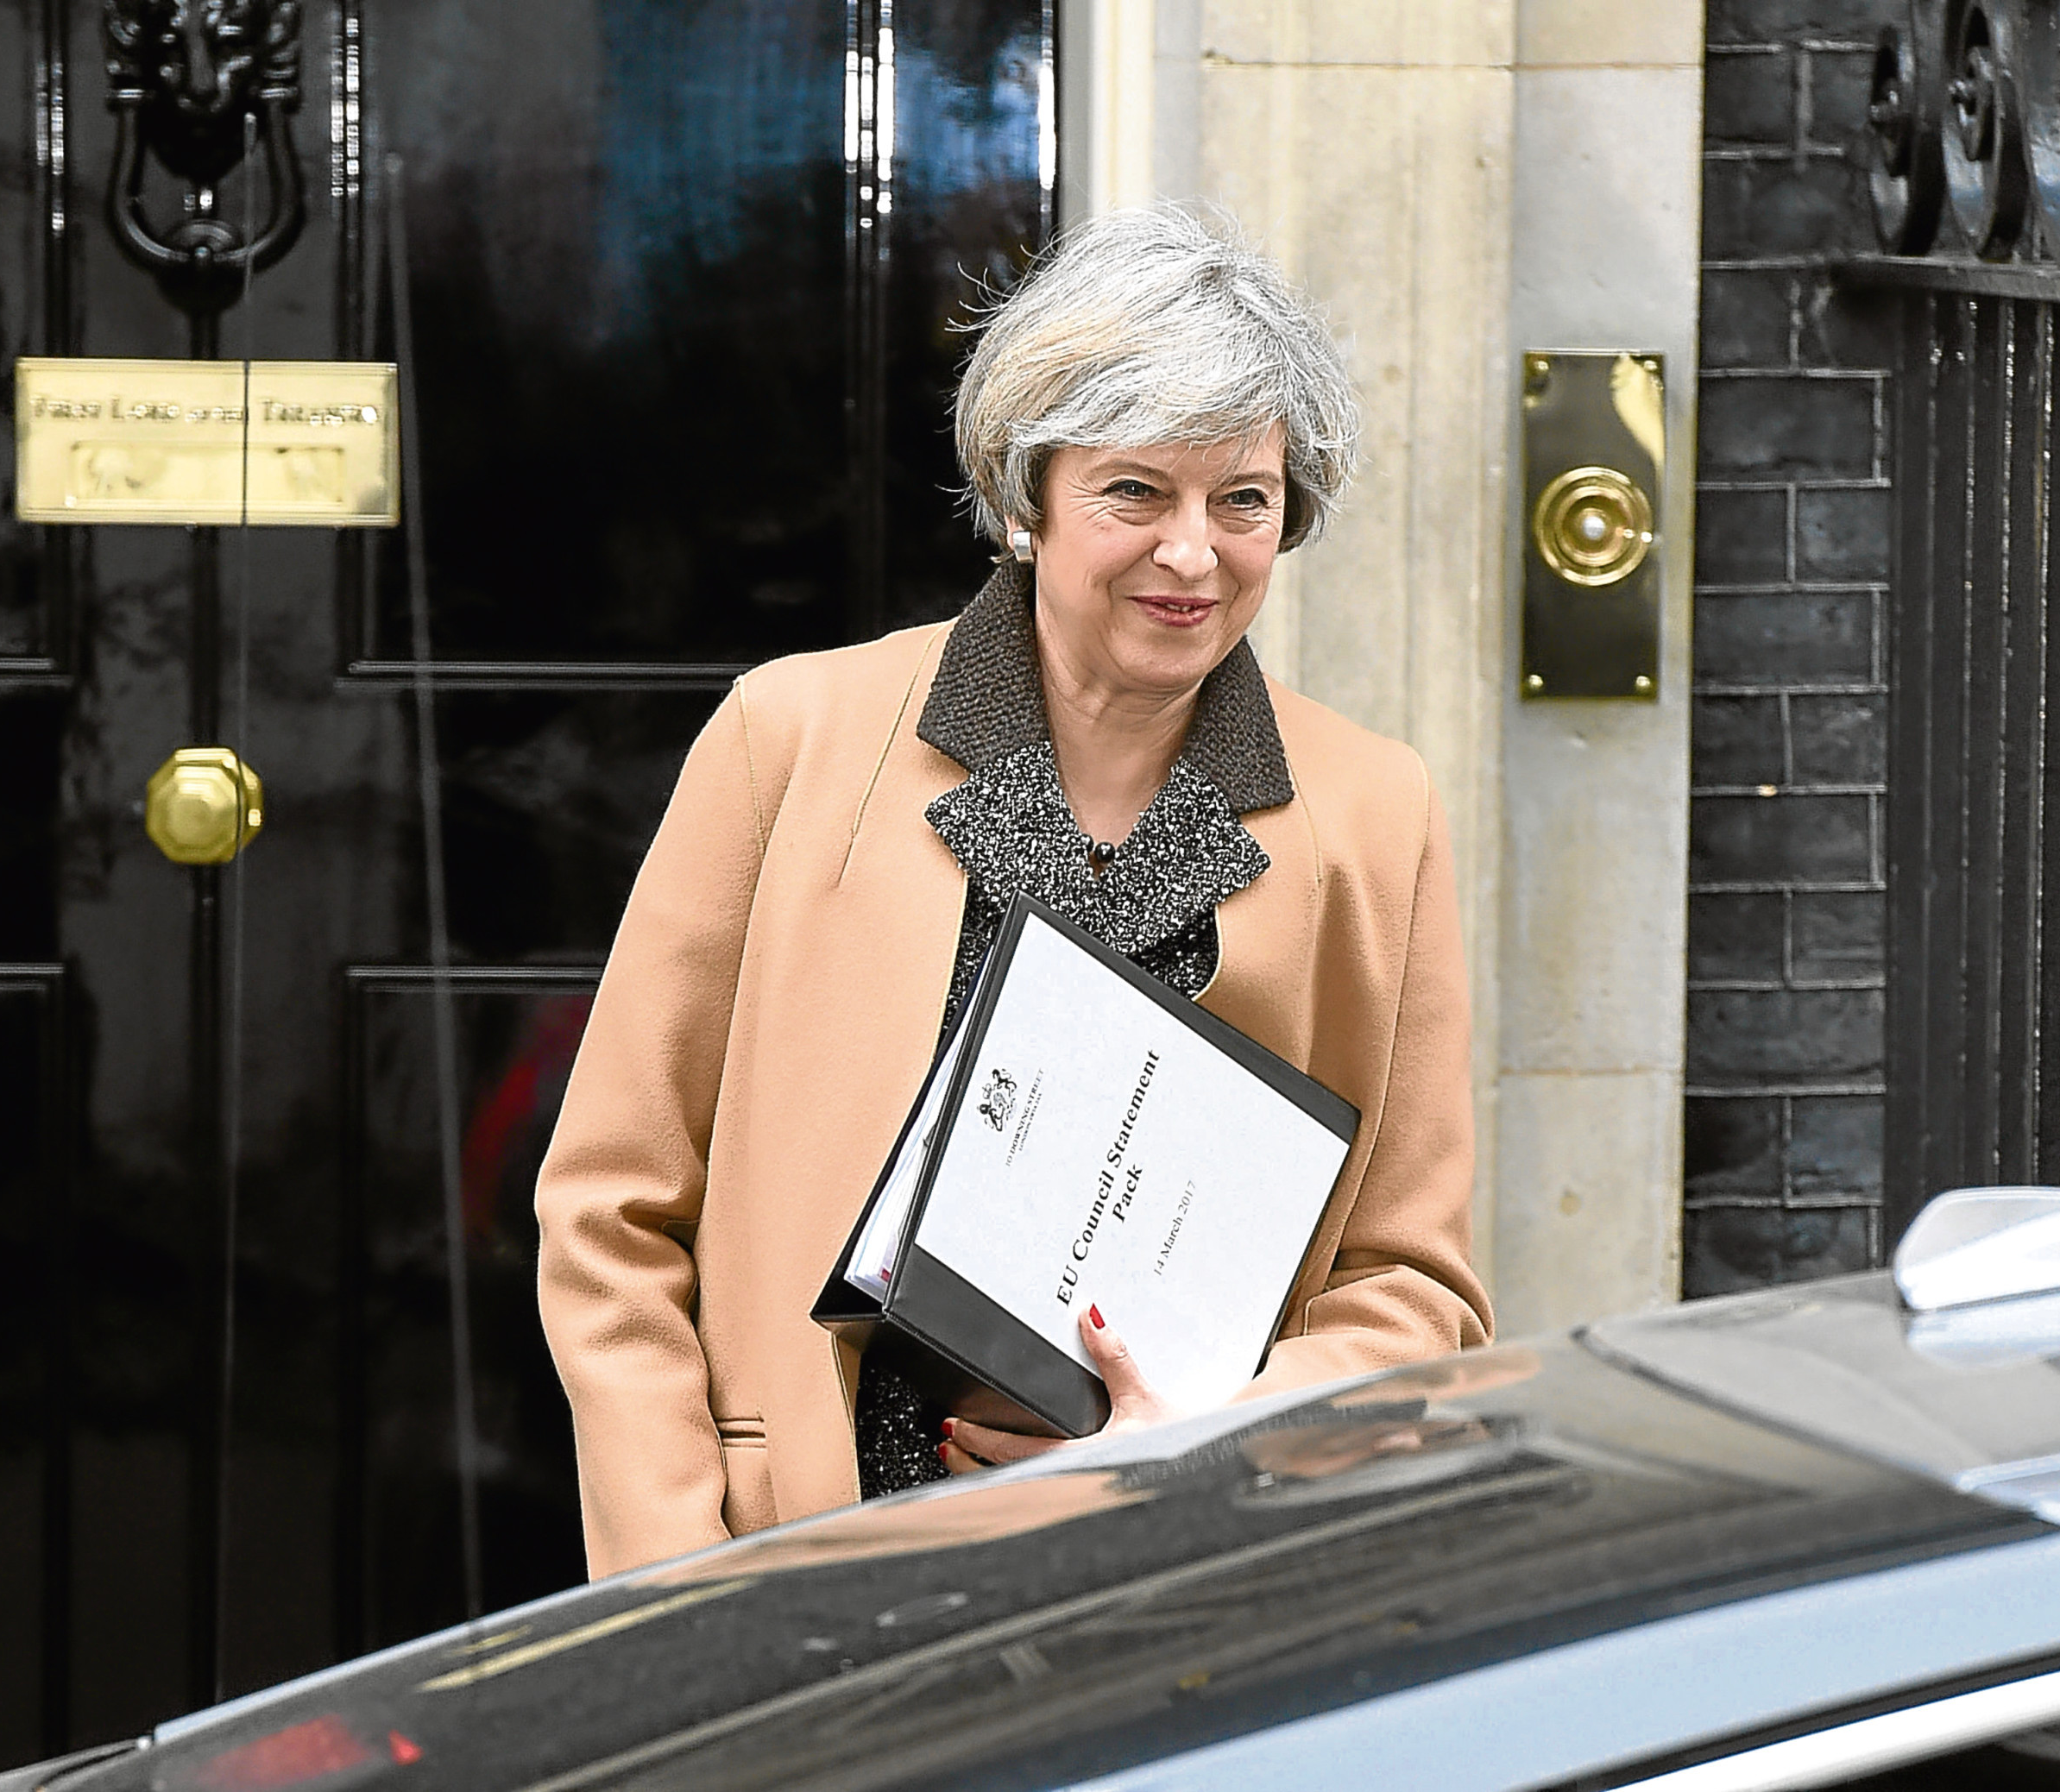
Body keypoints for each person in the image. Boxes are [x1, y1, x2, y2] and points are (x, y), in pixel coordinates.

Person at [535, 202, 1491, 1580]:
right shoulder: (789, 740)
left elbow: (1415, 1287)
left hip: (1172, 1582)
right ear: (1026, 495)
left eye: (1244, 500)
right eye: (1135, 492)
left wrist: (1201, 1434)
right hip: (797, 1561)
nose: (1192, 553)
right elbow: (611, 1213)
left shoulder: (1374, 811)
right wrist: (680, 1579)